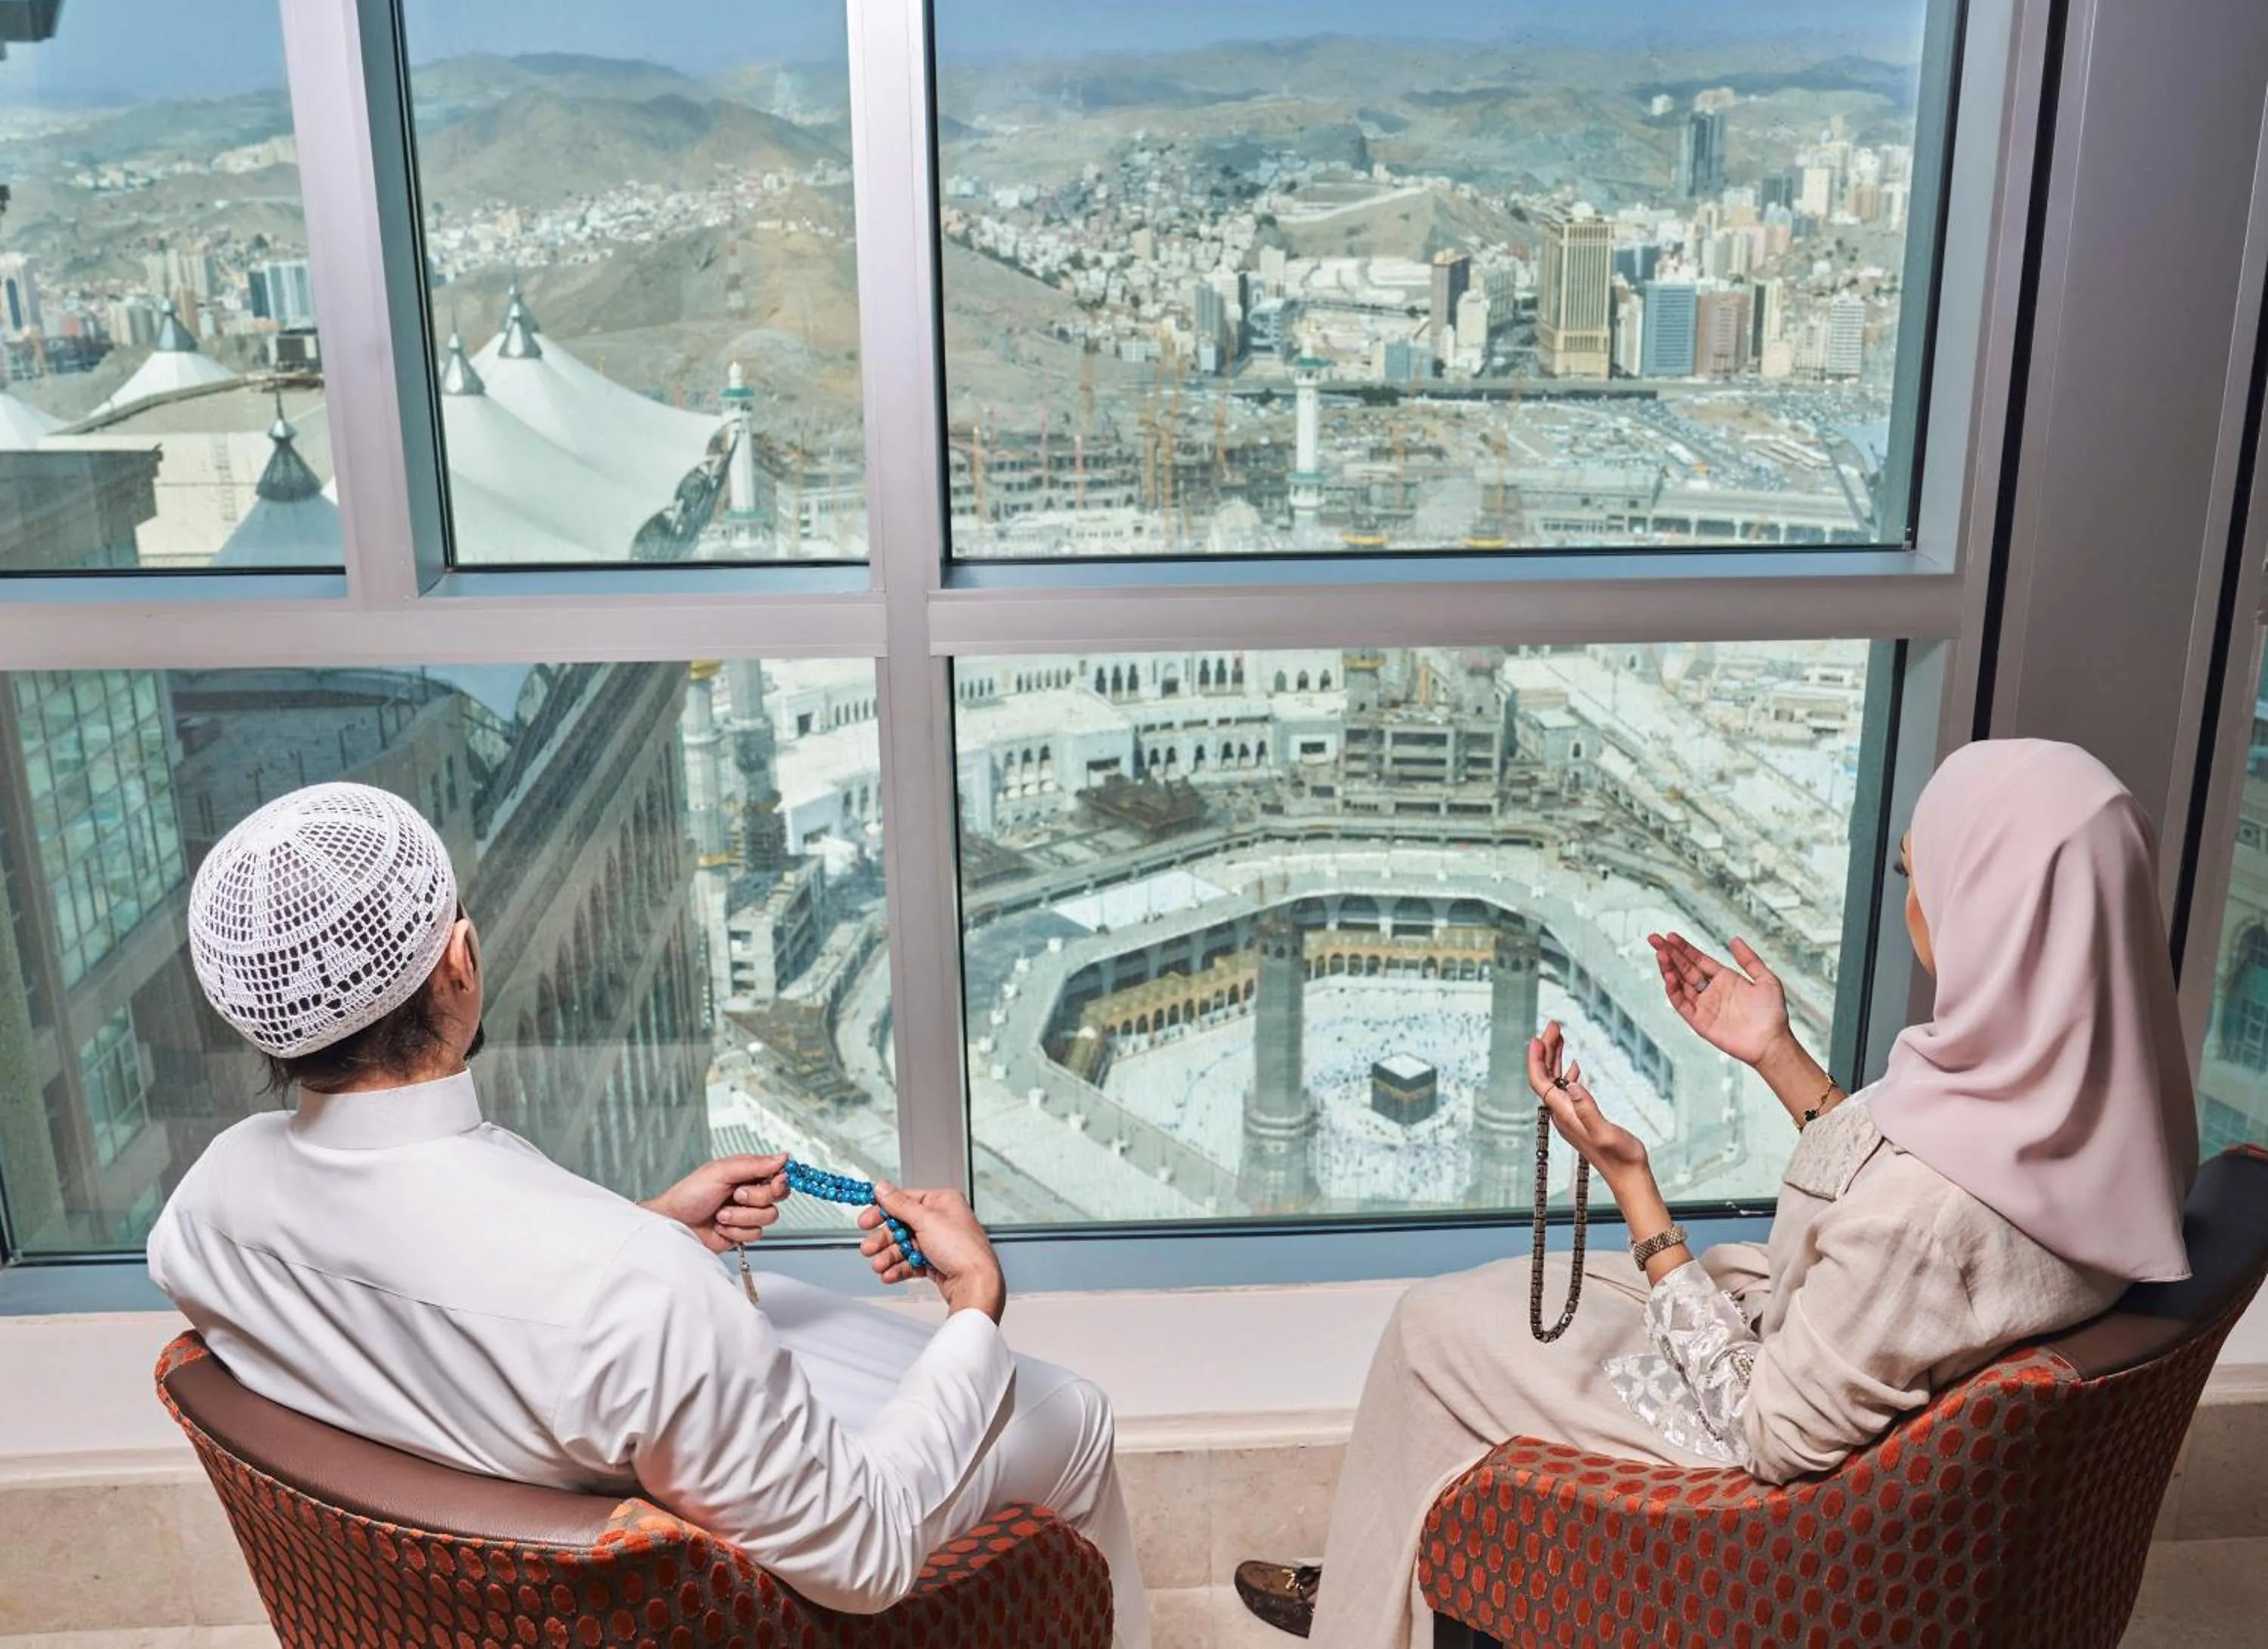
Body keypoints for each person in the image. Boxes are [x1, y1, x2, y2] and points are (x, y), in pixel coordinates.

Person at [1235, 737, 2198, 1645]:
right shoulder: (2121, 1115)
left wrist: (1634, 1189)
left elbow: (1771, 1427)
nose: (1914, 906)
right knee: (1478, 1309)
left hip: (1769, 1478)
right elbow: (1919, 1188)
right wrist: (1777, 1056)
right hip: (1848, 1364)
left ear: (1989, 909)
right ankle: (1389, 1560)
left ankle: (1373, 1604)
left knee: (1430, 1330)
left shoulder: (1927, 1223)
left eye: (1924, 877)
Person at [146, 782, 1150, 1644]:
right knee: (1070, 1410)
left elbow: (417, 1293)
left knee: (787, 1310)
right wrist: (974, 1301)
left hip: (458, 1555)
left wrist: (650, 1227)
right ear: (459, 958)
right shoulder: (639, 1293)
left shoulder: (203, 1212)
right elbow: (867, 1555)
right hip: (721, 1565)